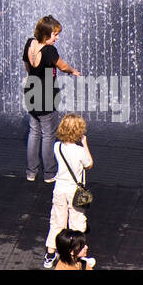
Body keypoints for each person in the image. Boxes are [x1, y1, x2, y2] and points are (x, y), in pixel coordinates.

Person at [23, 15, 81, 181]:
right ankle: (49, 173)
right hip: (46, 94)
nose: (57, 37)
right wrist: (72, 71)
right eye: (55, 35)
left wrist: (30, 75)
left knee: (34, 131)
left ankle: (31, 172)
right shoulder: (49, 51)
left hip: (31, 90)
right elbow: (62, 66)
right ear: (46, 34)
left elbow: (26, 64)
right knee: (48, 134)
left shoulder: (30, 43)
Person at [42, 113, 92, 268]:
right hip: (74, 191)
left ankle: (50, 255)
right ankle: (77, 256)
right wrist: (85, 144)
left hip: (59, 189)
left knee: (57, 221)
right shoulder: (79, 151)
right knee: (77, 222)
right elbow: (89, 163)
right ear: (79, 131)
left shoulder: (57, 147)